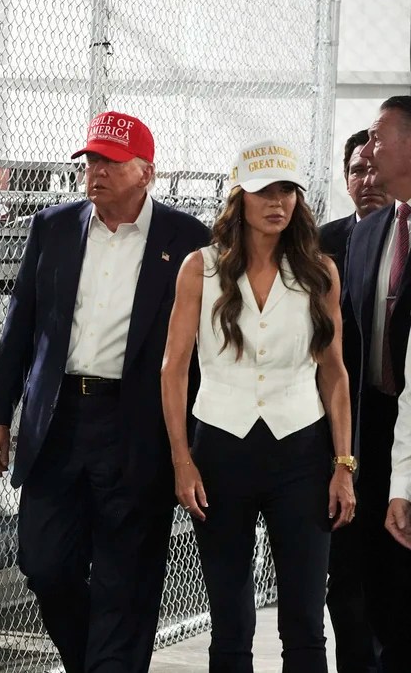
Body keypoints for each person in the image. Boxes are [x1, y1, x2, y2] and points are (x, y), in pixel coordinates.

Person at [0, 111, 208, 672]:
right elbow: (21, 328)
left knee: (125, 578)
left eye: (111, 161)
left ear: (146, 174)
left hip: (138, 425)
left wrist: (190, 445)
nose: (97, 171)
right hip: (56, 422)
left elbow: (201, 354)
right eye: (92, 160)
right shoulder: (53, 227)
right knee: (44, 564)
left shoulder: (189, 241)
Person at [162, 139, 356, 673]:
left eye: (287, 190)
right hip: (220, 450)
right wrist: (182, 458)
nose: (277, 202)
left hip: (302, 452)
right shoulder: (198, 269)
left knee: (304, 621)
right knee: (230, 620)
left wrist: (343, 465)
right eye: (263, 190)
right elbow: (173, 369)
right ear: (238, 198)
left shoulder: (319, 271)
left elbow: (334, 373)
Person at [346, 95, 411, 672]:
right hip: (368, 435)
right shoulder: (366, 236)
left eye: (376, 137)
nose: (367, 152)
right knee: (370, 584)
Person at [320, 129, 388, 673]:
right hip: (336, 436)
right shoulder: (321, 245)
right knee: (345, 581)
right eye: (356, 170)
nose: (367, 181)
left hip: (394, 426)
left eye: (374, 167)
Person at [320, 129, 391, 282]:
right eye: (358, 171)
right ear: (346, 181)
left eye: (377, 170)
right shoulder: (320, 241)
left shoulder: (406, 239)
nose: (369, 181)